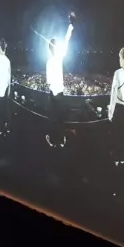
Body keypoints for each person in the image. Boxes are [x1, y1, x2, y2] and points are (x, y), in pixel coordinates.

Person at [45, 12, 75, 148]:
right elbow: (66, 40)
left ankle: (53, 141)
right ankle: (62, 140)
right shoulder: (60, 57)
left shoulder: (49, 62)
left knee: (53, 119)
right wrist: (70, 25)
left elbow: (48, 82)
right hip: (61, 94)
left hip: (53, 94)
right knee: (61, 118)